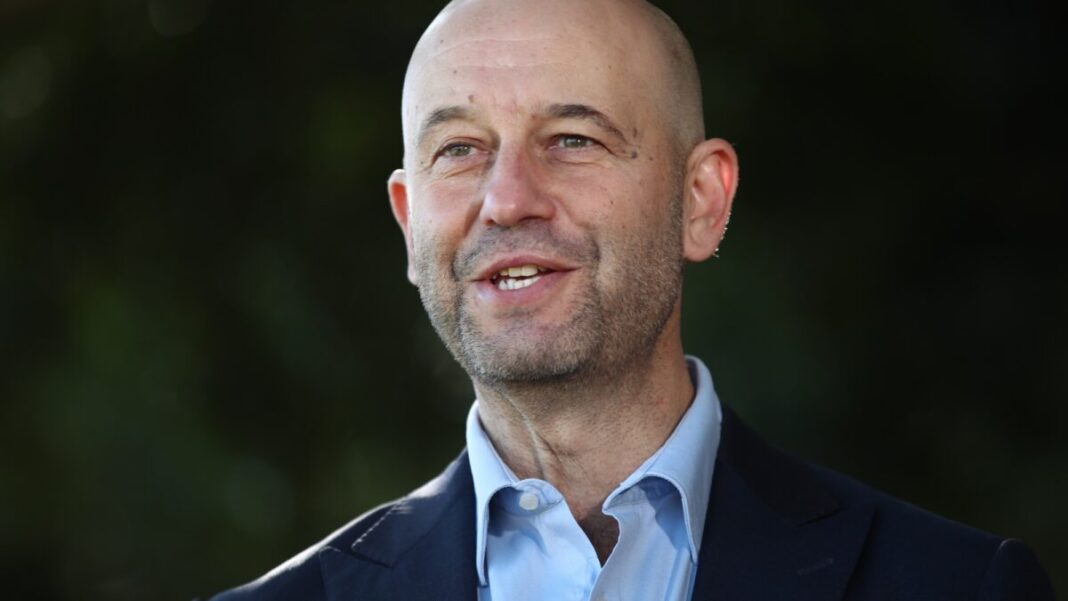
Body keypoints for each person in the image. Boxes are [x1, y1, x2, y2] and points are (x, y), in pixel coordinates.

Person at [211, 0, 1055, 599]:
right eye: (459, 149)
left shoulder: (959, 585)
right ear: (407, 220)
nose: (507, 199)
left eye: (572, 139)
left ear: (701, 200)